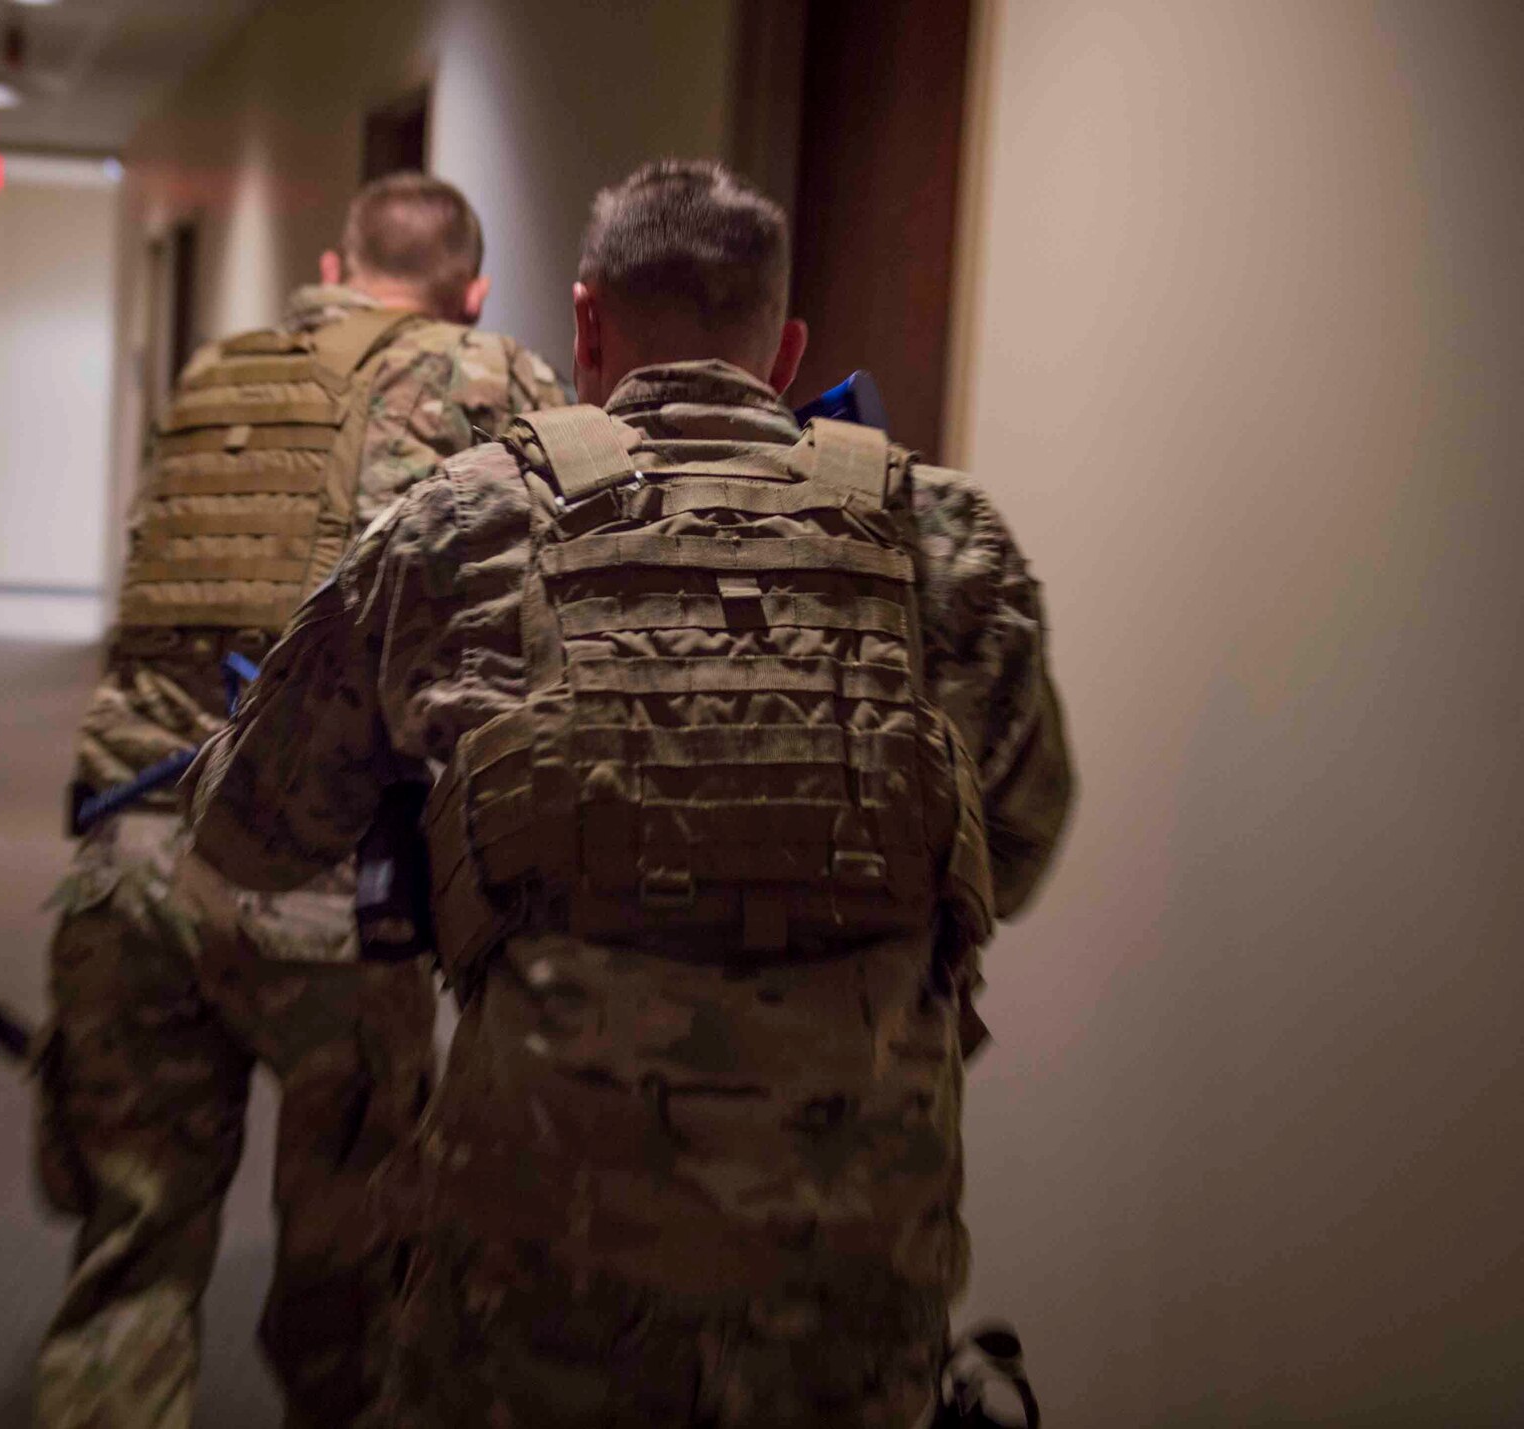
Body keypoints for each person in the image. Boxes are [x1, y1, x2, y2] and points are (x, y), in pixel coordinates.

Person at [182, 158, 1073, 1428]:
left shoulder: (461, 525)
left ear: (586, 320)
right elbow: (1020, 848)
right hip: (848, 1295)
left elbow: (252, 834)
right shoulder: (946, 541)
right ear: (785, 347)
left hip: (537, 1286)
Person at [32, 172, 567, 1429]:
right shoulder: (500, 380)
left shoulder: (220, 374)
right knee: (356, 1287)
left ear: (335, 261)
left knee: (129, 1255)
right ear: (472, 289)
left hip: (131, 861)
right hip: (330, 896)